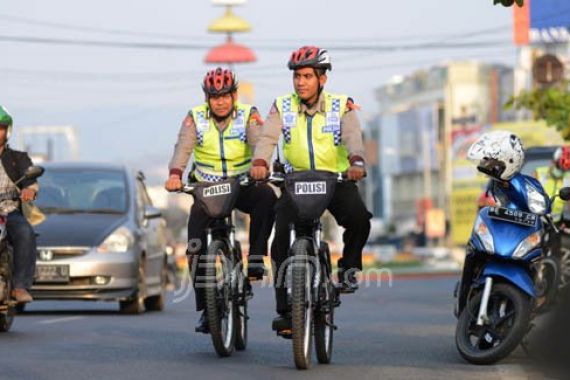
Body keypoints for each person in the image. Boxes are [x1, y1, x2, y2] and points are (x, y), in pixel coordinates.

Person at [249, 46, 372, 330]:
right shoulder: (283, 105)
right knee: (280, 240)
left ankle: (349, 268)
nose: (300, 82)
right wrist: (259, 161)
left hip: (335, 179)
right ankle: (286, 311)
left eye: (306, 76)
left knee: (359, 219)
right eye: (296, 76)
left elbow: (353, 137)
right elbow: (268, 136)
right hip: (296, 181)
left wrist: (356, 161)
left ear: (322, 78)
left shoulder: (341, 105)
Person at [165, 68, 276, 333]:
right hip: (207, 187)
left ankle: (257, 257)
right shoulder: (195, 118)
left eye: (225, 95)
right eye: (215, 97)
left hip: (241, 184)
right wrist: (175, 174)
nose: (221, 101)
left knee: (267, 197)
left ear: (234, 95)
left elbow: (260, 142)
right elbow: (182, 148)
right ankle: (207, 310)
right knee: (194, 249)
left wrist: (260, 163)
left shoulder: (248, 115)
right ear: (207, 98)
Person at [0, 106, 40, 304]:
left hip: (8, 211)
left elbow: (30, 179)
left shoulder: (18, 158)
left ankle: (19, 286)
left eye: (1, 127)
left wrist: (30, 190)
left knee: (25, 232)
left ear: (8, 131)